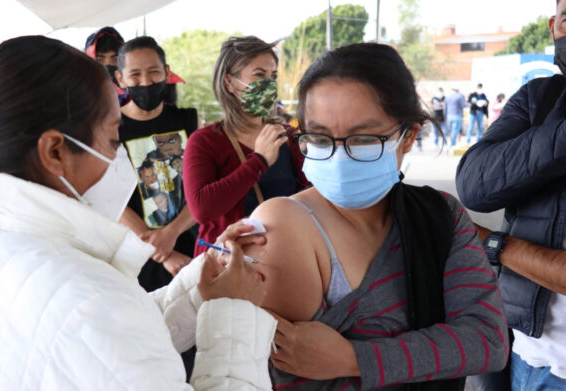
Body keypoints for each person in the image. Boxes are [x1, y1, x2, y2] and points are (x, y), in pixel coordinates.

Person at [0, 35, 276, 391]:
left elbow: (113, 348)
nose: (119, 157)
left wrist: (200, 286)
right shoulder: (81, 294)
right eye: (112, 139)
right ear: (55, 152)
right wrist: (233, 313)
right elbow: (100, 326)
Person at [235, 43, 508, 390]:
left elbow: (487, 342)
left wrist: (353, 358)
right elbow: (283, 377)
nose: (338, 156)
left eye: (363, 139)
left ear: (407, 136)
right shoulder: (284, 227)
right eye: (319, 137)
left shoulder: (439, 215)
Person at [456, 2, 566, 389]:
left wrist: (493, 244)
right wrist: (558, 137)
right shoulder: (541, 98)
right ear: (555, 27)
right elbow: (473, 184)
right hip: (528, 356)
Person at [183, 36, 309, 255]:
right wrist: (258, 161)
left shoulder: (286, 135)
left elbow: (309, 193)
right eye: (259, 75)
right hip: (225, 261)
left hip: (283, 255)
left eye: (273, 76)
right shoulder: (205, 141)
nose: (268, 84)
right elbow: (202, 209)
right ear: (229, 82)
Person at [113, 36, 201, 289]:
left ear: (167, 73)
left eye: (153, 72)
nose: (145, 82)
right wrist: (161, 252)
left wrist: (171, 233)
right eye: (135, 75)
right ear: (120, 79)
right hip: (138, 257)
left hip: (191, 247)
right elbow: (113, 199)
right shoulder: (110, 129)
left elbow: (202, 187)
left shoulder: (189, 121)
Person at [84, 26, 129, 105]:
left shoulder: (133, 94)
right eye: (100, 60)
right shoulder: (81, 96)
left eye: (115, 59)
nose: (108, 65)